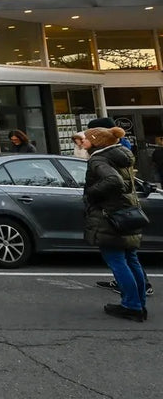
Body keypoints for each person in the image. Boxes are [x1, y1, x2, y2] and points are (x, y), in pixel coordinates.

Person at [82, 126, 148, 321]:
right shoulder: (121, 155)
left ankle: (131, 305)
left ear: (95, 140)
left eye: (86, 138)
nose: (83, 141)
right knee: (131, 258)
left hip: (109, 215)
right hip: (127, 211)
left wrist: (91, 193)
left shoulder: (99, 159)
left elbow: (114, 181)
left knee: (117, 261)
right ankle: (139, 303)